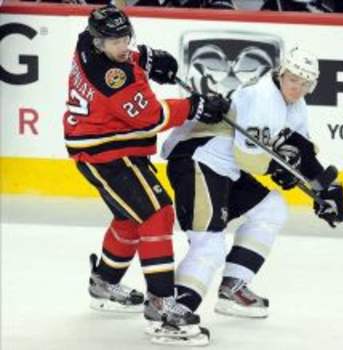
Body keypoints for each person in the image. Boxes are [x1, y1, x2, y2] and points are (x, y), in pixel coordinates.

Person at [63, 5, 229, 346]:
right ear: (98, 42)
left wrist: (146, 58)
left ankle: (104, 282)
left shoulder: (87, 41)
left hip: (111, 146)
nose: (122, 46)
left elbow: (127, 59)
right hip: (106, 154)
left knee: (131, 218)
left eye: (126, 37)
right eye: (114, 42)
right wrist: (196, 107)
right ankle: (161, 307)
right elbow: (151, 117)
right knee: (157, 213)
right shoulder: (113, 78)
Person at [161, 47, 343, 326]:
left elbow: (301, 151)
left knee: (271, 210)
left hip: (225, 168)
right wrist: (280, 170)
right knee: (209, 245)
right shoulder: (262, 97)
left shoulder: (294, 104)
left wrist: (328, 188)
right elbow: (248, 158)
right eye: (293, 79)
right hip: (198, 161)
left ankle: (232, 287)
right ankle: (173, 315)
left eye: (305, 83)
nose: (298, 88)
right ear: (281, 73)